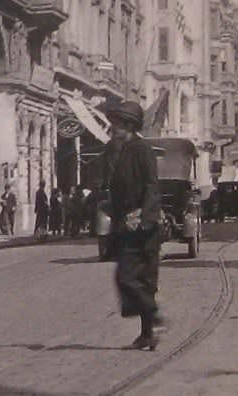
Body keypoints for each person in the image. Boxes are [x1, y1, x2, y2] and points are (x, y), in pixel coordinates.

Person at [101, 99, 162, 350]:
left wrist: (144, 216)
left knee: (130, 278)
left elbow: (151, 185)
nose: (112, 128)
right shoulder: (117, 150)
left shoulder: (141, 150)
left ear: (128, 125)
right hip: (125, 225)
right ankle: (148, 334)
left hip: (142, 226)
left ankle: (154, 319)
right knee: (136, 280)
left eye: (117, 124)